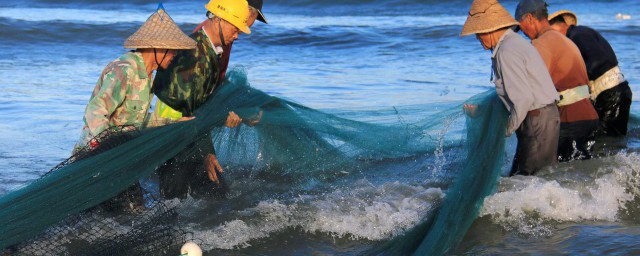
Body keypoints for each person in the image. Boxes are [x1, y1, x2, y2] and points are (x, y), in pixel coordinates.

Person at [75, 5, 196, 211]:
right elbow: (95, 112)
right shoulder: (124, 70)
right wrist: (106, 150)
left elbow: (138, 121)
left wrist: (173, 123)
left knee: (134, 210)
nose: (175, 54)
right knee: (120, 212)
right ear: (158, 47)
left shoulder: (148, 76)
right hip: (96, 160)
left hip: (121, 159)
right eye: (173, 49)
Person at [152, 0, 258, 199]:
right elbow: (189, 112)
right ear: (218, 20)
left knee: (212, 198)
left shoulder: (209, 51)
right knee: (176, 203)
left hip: (189, 138)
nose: (237, 36)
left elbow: (201, 104)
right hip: (174, 141)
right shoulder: (195, 55)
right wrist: (207, 154)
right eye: (235, 29)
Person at [461, 0, 560, 176]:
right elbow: (513, 94)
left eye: (478, 33)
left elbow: (523, 99)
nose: (477, 39)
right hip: (542, 117)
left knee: (528, 180)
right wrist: (482, 111)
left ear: (489, 29)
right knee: (534, 178)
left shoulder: (506, 51)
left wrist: (504, 130)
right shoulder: (513, 43)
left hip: (536, 120)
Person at [515, 0, 600, 161]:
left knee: (557, 175)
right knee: (580, 176)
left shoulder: (541, 44)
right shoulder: (563, 39)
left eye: (521, 27)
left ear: (530, 19)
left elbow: (531, 86)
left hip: (571, 119)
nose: (522, 33)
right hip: (589, 117)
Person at [548, 10, 632, 137]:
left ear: (556, 27)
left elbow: (597, 60)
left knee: (605, 141)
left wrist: (580, 80)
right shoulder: (583, 32)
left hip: (610, 94)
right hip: (618, 90)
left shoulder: (577, 36)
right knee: (614, 139)